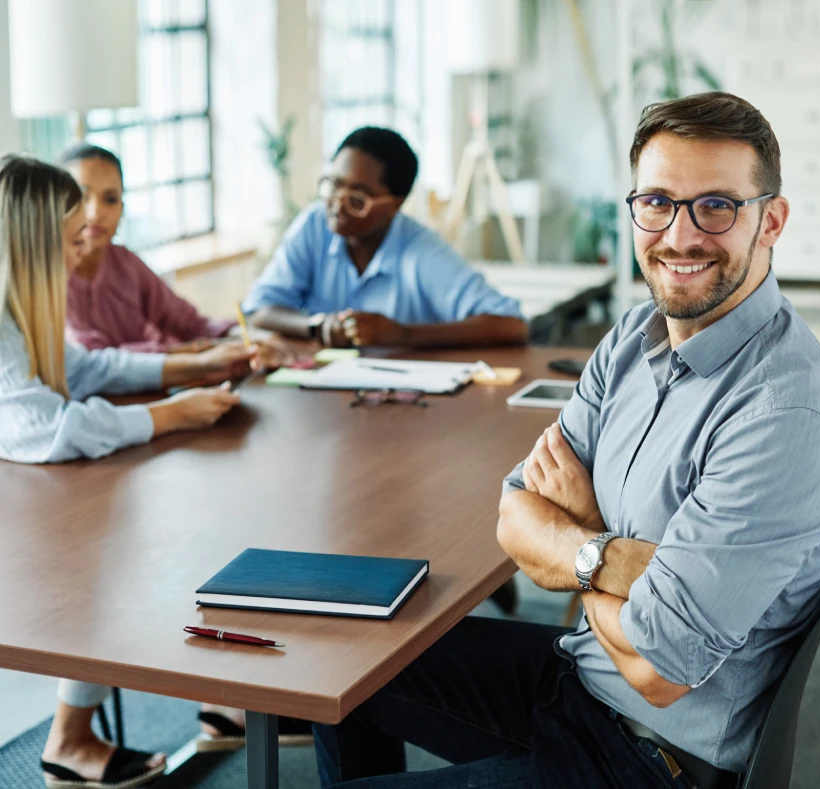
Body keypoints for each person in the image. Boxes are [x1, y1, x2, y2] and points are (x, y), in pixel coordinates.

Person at [310, 92, 820, 788]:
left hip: (652, 757)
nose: (681, 235)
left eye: (716, 206)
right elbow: (516, 512)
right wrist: (625, 565)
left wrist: (583, 534)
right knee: (350, 668)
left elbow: (660, 668)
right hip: (582, 678)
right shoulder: (634, 337)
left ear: (771, 220)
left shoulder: (786, 415)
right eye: (657, 202)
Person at [0, 154, 280, 788]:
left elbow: (88, 369)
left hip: (32, 494)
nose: (81, 249)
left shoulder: (21, 311)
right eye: (70, 238)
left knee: (135, 531)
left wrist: (198, 365)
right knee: (115, 552)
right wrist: (170, 415)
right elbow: (53, 429)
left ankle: (219, 694)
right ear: (34, 243)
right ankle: (71, 740)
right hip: (22, 515)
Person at [244, 126, 528, 349]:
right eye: (333, 185)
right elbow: (260, 309)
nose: (338, 204)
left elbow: (512, 325)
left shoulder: (422, 251)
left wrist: (403, 334)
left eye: (358, 198)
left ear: (396, 203)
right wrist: (317, 325)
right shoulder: (313, 225)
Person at [58, 142, 246, 354]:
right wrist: (189, 356)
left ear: (122, 209)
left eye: (110, 199)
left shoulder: (125, 263)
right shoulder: (48, 280)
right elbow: (95, 362)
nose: (95, 213)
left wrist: (243, 337)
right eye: (82, 197)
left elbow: (189, 322)